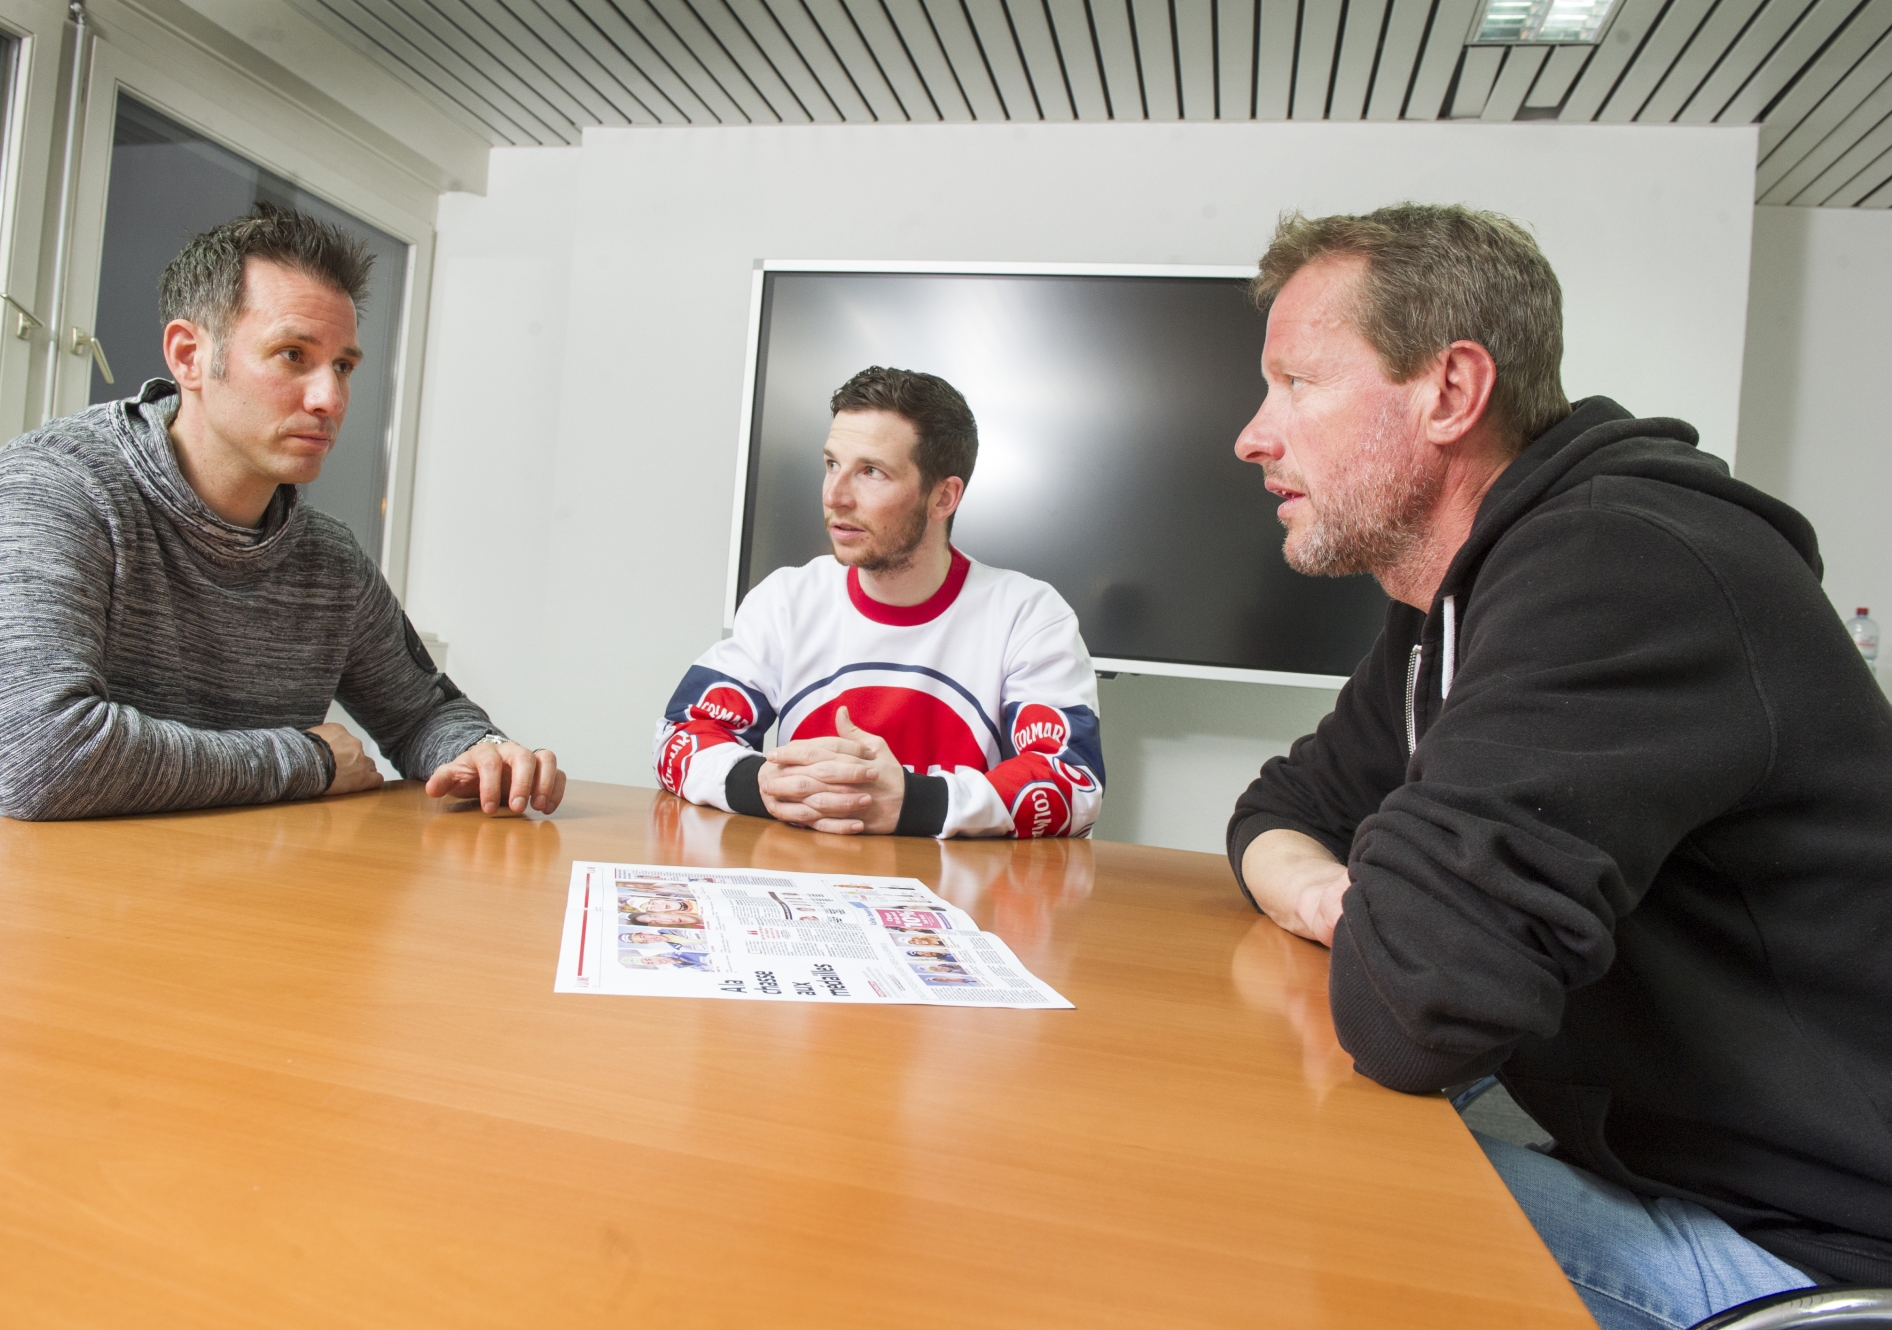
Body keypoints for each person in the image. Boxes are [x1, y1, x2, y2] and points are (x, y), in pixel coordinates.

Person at [1225, 203, 1892, 1327]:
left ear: (1449, 391)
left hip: (1802, 1248)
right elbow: (1283, 807)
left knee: (1265, 1192)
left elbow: (1416, 1009)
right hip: (1658, 1163)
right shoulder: (1456, 595)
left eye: (1295, 383)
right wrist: (1334, 893)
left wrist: (1384, 893)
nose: (1251, 433)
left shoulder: (1616, 565)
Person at [0, 204, 562, 825]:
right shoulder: (53, 488)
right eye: (293, 356)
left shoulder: (327, 560)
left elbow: (425, 716)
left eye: (344, 365)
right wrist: (312, 758)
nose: (330, 398)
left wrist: (483, 753)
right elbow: (38, 760)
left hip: (189, 896)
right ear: (190, 356)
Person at [654, 366, 1103, 839]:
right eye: (831, 465)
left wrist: (912, 801)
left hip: (962, 901)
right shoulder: (787, 600)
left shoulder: (1029, 616)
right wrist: (762, 784)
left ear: (943, 497)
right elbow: (679, 735)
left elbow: (1073, 782)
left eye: (871, 472)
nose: (834, 496)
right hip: (806, 897)